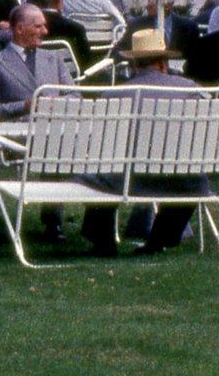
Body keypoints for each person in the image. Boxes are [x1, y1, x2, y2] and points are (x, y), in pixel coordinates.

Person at [80, 29, 206, 257]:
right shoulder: (191, 90)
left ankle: (103, 241)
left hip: (128, 179)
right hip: (181, 179)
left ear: (134, 64)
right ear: (164, 62)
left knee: (94, 174)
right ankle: (157, 241)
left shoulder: (115, 94)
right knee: (192, 174)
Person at [0, 5, 77, 242]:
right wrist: (23, 106)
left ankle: (53, 221)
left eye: (44, 25)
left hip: (53, 133)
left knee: (57, 145)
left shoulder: (53, 59)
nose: (45, 31)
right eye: (38, 26)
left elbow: (75, 96)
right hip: (15, 135)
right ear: (20, 29)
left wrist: (58, 103)